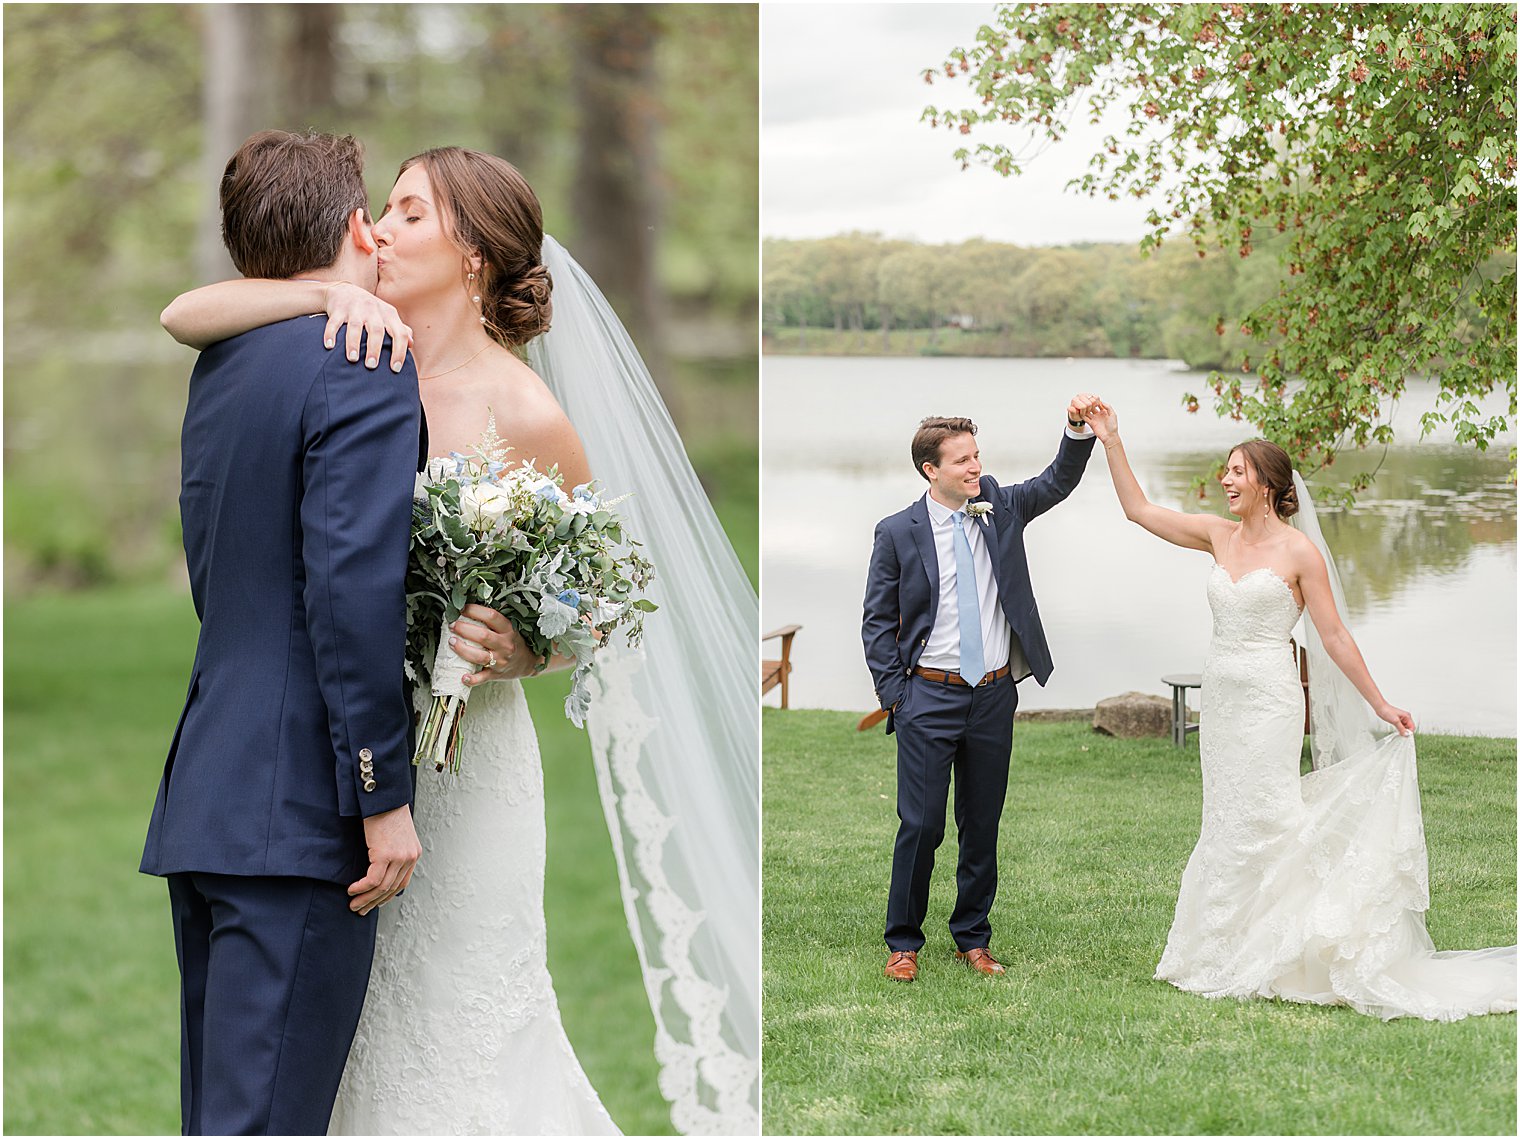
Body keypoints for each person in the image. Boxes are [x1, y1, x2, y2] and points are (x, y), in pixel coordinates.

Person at [160, 145, 759, 1133]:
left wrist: (523, 646)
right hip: (345, 762)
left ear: (472, 252)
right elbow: (189, 312)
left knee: (462, 1031)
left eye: (405, 214)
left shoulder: (522, 407)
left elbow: (599, 601)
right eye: (381, 212)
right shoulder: (352, 345)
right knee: (335, 1059)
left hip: (460, 760)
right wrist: (319, 292)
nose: (377, 232)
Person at [139, 130, 424, 1135]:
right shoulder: (364, 356)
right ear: (355, 226)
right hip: (297, 813)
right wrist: (379, 791)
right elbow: (349, 594)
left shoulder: (225, 357)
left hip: (211, 786)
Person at [1086, 404, 1516, 1020]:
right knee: (1228, 817)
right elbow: (1140, 511)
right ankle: (1221, 950)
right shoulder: (1216, 534)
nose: (1226, 481)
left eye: (1237, 472)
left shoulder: (1300, 553)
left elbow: (1334, 637)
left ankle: (1293, 946)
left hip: (1269, 700)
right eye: (1225, 470)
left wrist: (1380, 702)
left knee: (1270, 814)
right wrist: (1112, 440)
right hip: (1224, 699)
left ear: (1267, 483)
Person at [861, 405, 1100, 983]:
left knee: (982, 822)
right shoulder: (896, 532)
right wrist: (898, 697)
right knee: (920, 824)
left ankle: (973, 936)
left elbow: (1057, 481)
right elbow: (876, 622)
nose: (976, 467)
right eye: (962, 460)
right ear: (930, 469)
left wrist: (1075, 433)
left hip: (993, 695)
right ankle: (904, 941)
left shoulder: (1001, 506)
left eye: (976, 456)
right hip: (928, 697)